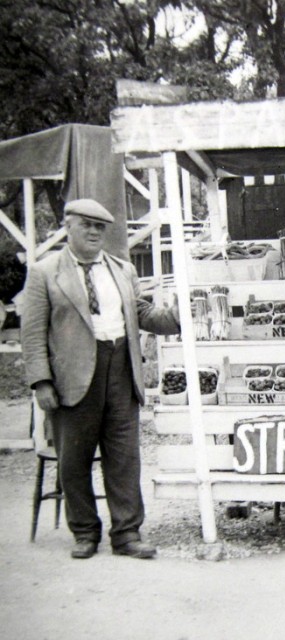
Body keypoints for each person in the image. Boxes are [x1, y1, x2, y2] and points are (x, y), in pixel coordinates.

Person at [21, 198, 180, 559]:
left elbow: (139, 312)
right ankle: (85, 533)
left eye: (100, 227)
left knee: (124, 457)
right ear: (68, 227)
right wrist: (41, 382)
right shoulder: (44, 272)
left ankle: (126, 535)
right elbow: (32, 333)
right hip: (72, 379)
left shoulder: (122, 270)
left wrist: (178, 317)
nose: (94, 233)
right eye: (86, 226)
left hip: (121, 369)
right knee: (74, 460)